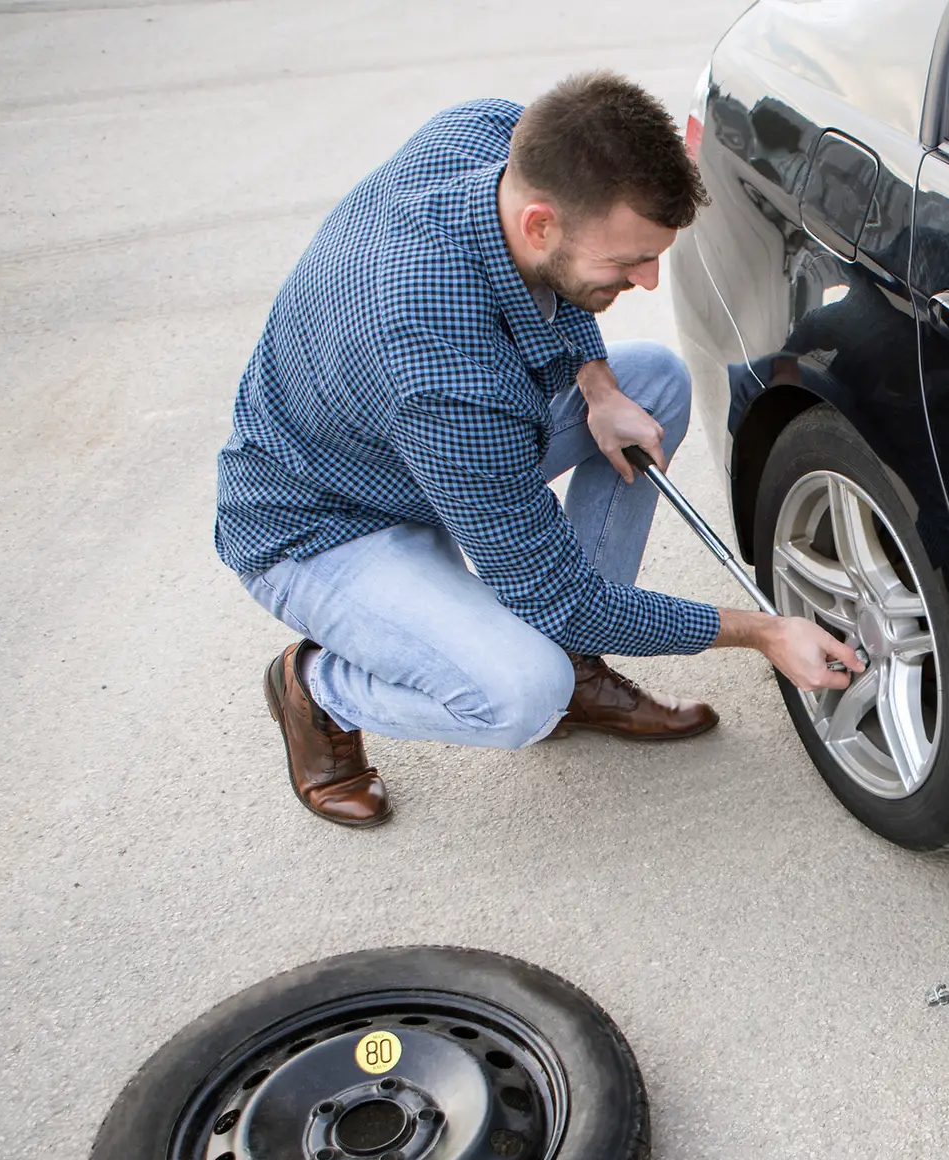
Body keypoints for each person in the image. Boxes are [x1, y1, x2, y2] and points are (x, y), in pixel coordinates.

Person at [215, 73, 858, 828]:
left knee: (649, 381)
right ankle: (316, 689)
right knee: (522, 691)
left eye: (652, 257)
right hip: (322, 522)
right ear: (541, 224)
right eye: (626, 264)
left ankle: (579, 669)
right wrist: (766, 631)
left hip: (409, 445)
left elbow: (558, 287)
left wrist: (596, 384)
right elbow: (556, 594)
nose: (648, 280)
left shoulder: (491, 133)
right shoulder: (445, 369)